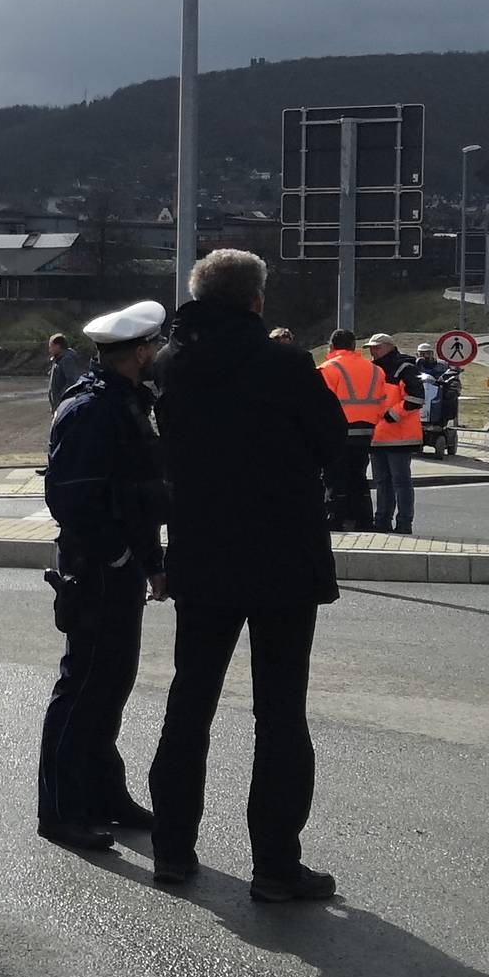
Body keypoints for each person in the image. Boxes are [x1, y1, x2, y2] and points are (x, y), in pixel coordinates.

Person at [148, 250, 346, 901]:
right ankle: (274, 866)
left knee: (189, 702)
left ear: (198, 297)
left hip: (200, 556)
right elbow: (331, 443)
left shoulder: (171, 366)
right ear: (256, 301)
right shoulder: (284, 364)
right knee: (280, 714)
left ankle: (172, 851)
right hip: (282, 560)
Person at [36, 302, 170, 852]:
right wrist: (116, 555)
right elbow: (72, 497)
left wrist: (152, 562)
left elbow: (133, 493)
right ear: (139, 351)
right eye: (155, 346)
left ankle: (104, 795)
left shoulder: (125, 401)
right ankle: (61, 811)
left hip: (120, 568)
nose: (160, 354)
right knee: (82, 688)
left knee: (110, 687)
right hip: (95, 570)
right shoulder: (91, 408)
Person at [316, 330, 388, 531]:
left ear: (331, 346)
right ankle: (363, 519)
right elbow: (383, 403)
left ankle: (336, 518)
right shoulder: (375, 370)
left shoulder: (328, 369)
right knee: (358, 476)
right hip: (366, 432)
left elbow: (319, 405)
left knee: (334, 477)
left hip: (337, 432)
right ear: (354, 346)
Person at [364, 336, 423, 533]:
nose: (372, 352)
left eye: (376, 348)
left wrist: (393, 414)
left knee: (400, 482)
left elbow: (416, 397)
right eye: (371, 348)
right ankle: (382, 521)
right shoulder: (373, 369)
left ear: (389, 347)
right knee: (383, 482)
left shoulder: (404, 368)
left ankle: (403, 523)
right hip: (378, 435)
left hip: (399, 436)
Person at [48, 333, 87, 410]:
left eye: (51, 346)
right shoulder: (58, 359)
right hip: (59, 403)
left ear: (57, 346)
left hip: (63, 404)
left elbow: (71, 381)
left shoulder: (67, 359)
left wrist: (61, 397)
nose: (49, 350)